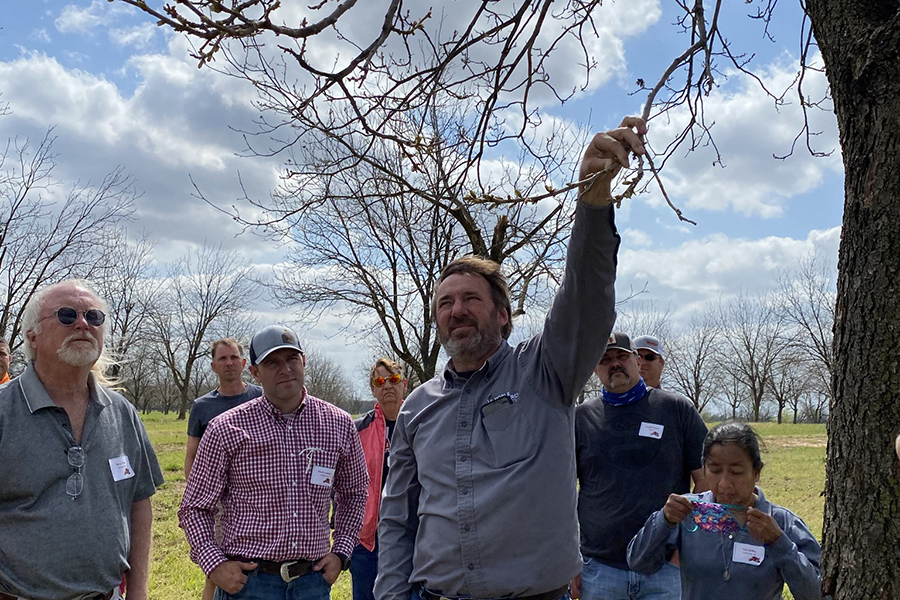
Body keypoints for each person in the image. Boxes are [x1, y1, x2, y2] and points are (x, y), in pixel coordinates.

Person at [375, 116, 648, 600]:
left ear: (503, 315)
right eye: (444, 302)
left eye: (471, 299)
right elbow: (397, 519)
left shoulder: (547, 371)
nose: (456, 310)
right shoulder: (417, 407)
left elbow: (586, 297)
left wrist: (591, 201)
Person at [0, 279, 164, 600]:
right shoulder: (4, 411)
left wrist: (139, 592)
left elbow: (139, 504)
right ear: (32, 335)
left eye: (94, 317)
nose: (82, 324)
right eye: (66, 315)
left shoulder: (122, 412)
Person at [179, 324, 368, 600]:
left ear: (303, 361)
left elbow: (354, 493)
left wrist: (341, 552)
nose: (285, 369)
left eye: (292, 359)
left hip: (312, 584)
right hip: (249, 585)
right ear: (254, 372)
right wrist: (214, 564)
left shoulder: (338, 424)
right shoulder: (226, 428)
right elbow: (194, 507)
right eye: (272, 362)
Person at [574, 331, 707, 600]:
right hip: (600, 568)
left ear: (637, 362)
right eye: (605, 359)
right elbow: (561, 491)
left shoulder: (677, 409)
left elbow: (706, 481)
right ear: (595, 369)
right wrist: (570, 560)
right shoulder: (580, 418)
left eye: (622, 356)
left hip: (666, 568)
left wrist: (684, 552)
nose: (615, 364)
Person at [627, 421, 822, 600]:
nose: (725, 483)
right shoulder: (688, 513)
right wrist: (664, 520)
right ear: (704, 469)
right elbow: (639, 563)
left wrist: (779, 543)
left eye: (736, 472)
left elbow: (816, 594)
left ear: (757, 472)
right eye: (715, 470)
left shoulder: (781, 522)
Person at [186, 337, 264, 600]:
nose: (229, 363)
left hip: (256, 499)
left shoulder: (261, 397)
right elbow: (193, 458)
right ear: (213, 366)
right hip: (219, 501)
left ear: (244, 363)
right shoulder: (203, 407)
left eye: (234, 358)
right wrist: (199, 498)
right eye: (222, 358)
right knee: (217, 569)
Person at [351, 358, 407, 600]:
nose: (387, 386)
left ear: (404, 385)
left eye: (393, 380)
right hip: (367, 542)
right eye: (379, 381)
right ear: (373, 389)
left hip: (410, 539)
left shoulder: (421, 424)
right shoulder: (356, 430)